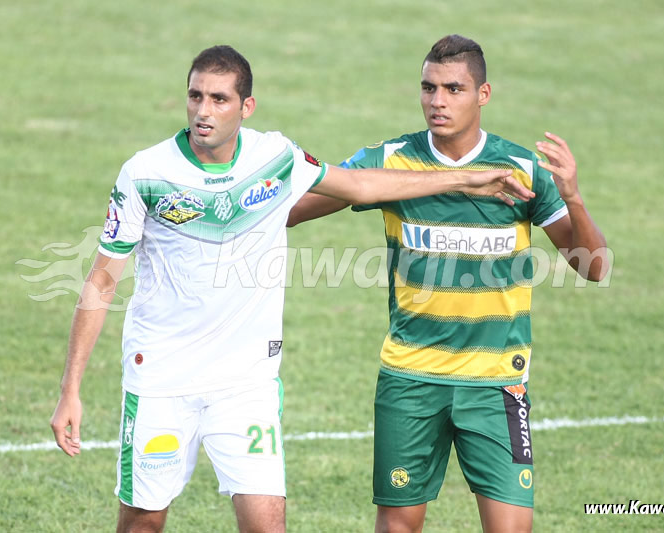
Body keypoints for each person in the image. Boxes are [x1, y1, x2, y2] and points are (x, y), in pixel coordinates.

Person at [49, 44, 534, 533]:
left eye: (219, 99)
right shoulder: (145, 173)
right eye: (195, 96)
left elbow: (360, 187)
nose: (203, 110)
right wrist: (71, 388)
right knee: (142, 524)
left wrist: (464, 179)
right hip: (161, 379)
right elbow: (102, 280)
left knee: (267, 526)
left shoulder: (276, 157)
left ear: (246, 106)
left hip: (246, 384)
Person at [287, 35, 608, 533]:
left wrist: (573, 196)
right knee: (397, 525)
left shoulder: (522, 170)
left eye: (454, 89)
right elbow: (291, 211)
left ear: (483, 94)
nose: (437, 101)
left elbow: (594, 267)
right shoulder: (390, 160)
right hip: (410, 378)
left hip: (497, 383)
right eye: (428, 87)